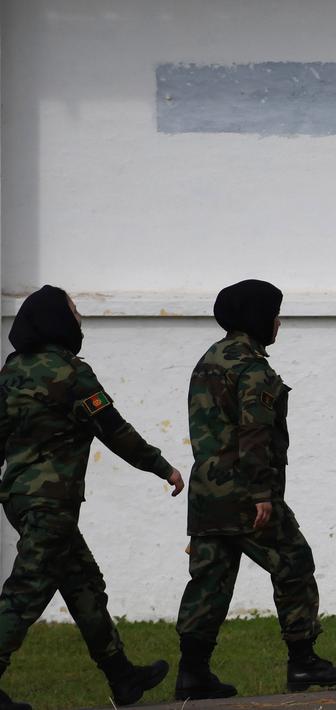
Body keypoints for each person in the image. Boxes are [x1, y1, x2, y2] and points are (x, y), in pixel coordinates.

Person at [0, 285, 184, 709]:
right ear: (57, 320)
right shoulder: (72, 373)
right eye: (75, 310)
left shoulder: (10, 373)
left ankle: (122, 677)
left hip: (20, 500)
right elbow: (115, 430)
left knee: (83, 584)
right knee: (26, 592)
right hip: (52, 505)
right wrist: (162, 467)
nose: (81, 318)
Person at [174, 280, 336, 700]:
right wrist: (261, 493)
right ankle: (304, 662)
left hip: (206, 494)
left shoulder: (209, 360)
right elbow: (254, 433)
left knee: (209, 582)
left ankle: (192, 671)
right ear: (258, 317)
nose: (279, 321)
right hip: (245, 491)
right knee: (293, 562)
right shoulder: (252, 367)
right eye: (274, 313)